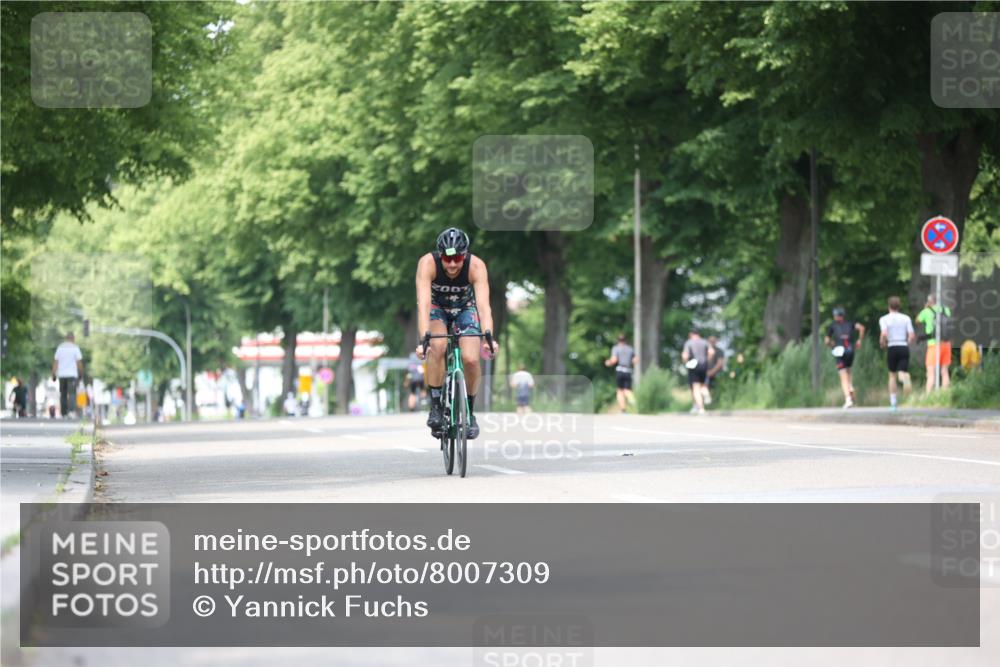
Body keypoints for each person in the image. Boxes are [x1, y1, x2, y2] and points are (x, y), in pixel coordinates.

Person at [414, 228, 497, 439]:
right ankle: (435, 406)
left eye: (458, 258)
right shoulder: (427, 264)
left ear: (465, 255)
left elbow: (484, 307)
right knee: (438, 347)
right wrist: (424, 338)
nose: (452, 264)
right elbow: (423, 304)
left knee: (470, 359)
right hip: (436, 308)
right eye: (448, 259)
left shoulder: (476, 266)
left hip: (465, 309)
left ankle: (469, 411)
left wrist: (488, 337)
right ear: (440, 255)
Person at [878, 296, 915, 410]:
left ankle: (893, 403)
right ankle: (904, 378)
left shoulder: (884, 319)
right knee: (902, 372)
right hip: (903, 345)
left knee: (892, 375)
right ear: (899, 306)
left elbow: (884, 333)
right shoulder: (906, 318)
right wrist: (907, 343)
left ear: (889, 306)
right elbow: (911, 335)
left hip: (892, 346)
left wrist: (882, 342)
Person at [824, 307, 865, 408]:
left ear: (835, 316)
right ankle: (850, 386)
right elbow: (862, 328)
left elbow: (826, 341)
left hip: (840, 351)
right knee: (848, 371)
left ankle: (848, 398)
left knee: (843, 376)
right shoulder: (850, 323)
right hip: (851, 350)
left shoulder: (832, 326)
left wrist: (831, 344)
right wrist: (859, 340)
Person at [916, 294, 953, 392]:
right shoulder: (946, 310)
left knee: (931, 373)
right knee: (944, 371)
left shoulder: (926, 311)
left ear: (929, 301)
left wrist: (925, 308)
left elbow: (917, 321)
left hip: (933, 345)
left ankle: (928, 397)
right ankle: (944, 396)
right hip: (946, 344)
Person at [52, 332, 83, 419]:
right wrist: (81, 373)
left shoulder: (60, 348)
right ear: (73, 338)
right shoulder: (75, 348)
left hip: (62, 375)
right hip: (72, 375)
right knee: (72, 393)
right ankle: (71, 411)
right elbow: (79, 362)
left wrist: (53, 373)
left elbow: (56, 362)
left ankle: (63, 413)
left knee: (63, 394)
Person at [681, 329, 713, 415]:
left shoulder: (689, 342)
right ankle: (706, 393)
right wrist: (707, 361)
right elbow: (711, 352)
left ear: (691, 334)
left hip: (694, 366)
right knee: (703, 384)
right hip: (704, 365)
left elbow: (685, 355)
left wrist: (686, 363)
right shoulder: (705, 342)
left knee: (696, 387)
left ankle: (701, 408)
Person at [604, 333, 637, 412]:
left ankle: (623, 409)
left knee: (620, 390)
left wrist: (608, 362)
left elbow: (614, 359)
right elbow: (635, 360)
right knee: (627, 390)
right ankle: (635, 402)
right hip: (628, 370)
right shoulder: (630, 349)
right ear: (625, 340)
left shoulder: (616, 348)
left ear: (618, 340)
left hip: (620, 370)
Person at [703, 335, 725, 406]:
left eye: (713, 341)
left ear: (716, 341)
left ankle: (717, 401)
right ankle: (706, 400)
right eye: (710, 341)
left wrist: (712, 372)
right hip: (707, 373)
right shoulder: (705, 351)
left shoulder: (719, 351)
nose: (711, 342)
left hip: (717, 372)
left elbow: (720, 364)